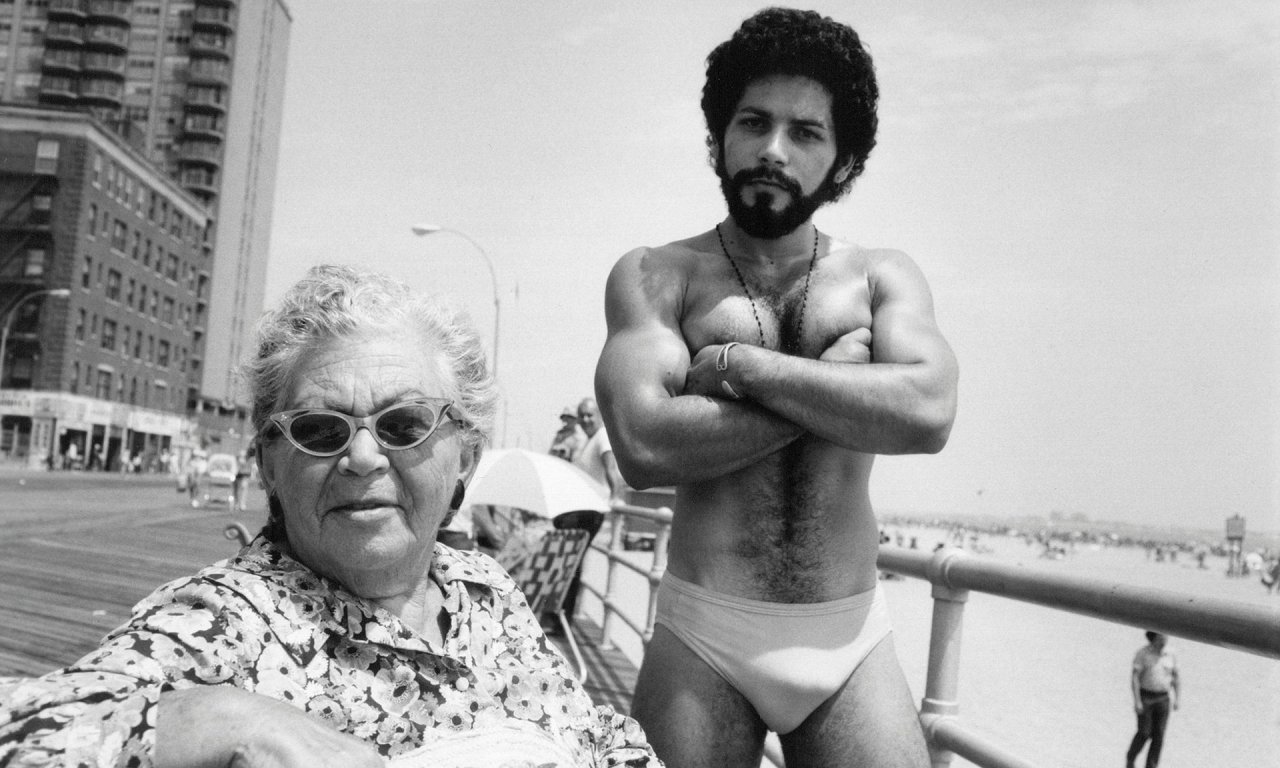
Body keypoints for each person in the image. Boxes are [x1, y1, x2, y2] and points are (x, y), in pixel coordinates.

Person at [0, 266, 657, 767]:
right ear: (268, 464)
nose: (363, 456)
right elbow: (23, 733)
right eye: (320, 430)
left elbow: (592, 732)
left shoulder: (484, 589)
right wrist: (217, 716)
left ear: (466, 456)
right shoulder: (230, 619)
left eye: (403, 423)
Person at [595, 8, 958, 767]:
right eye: (753, 122)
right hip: (704, 631)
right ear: (717, 138)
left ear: (844, 160)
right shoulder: (658, 275)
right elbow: (644, 445)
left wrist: (739, 368)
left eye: (806, 132)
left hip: (848, 638)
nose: (772, 149)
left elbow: (926, 413)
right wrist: (841, 389)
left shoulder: (881, 275)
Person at [1126, 631, 1180, 768]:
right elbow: (1135, 678)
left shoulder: (1171, 654)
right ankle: (1131, 757)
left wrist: (1177, 698)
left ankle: (1151, 766)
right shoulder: (1143, 654)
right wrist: (1137, 700)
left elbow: (1176, 677)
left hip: (1163, 698)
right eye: (1162, 635)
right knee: (1144, 732)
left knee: (1159, 735)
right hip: (1146, 697)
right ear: (1155, 637)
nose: (1166, 638)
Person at [572, 397, 626, 503]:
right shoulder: (587, 441)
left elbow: (611, 469)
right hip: (588, 503)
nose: (585, 419)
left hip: (601, 504)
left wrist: (614, 500)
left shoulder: (602, 435)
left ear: (599, 416)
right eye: (581, 416)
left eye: (589, 415)